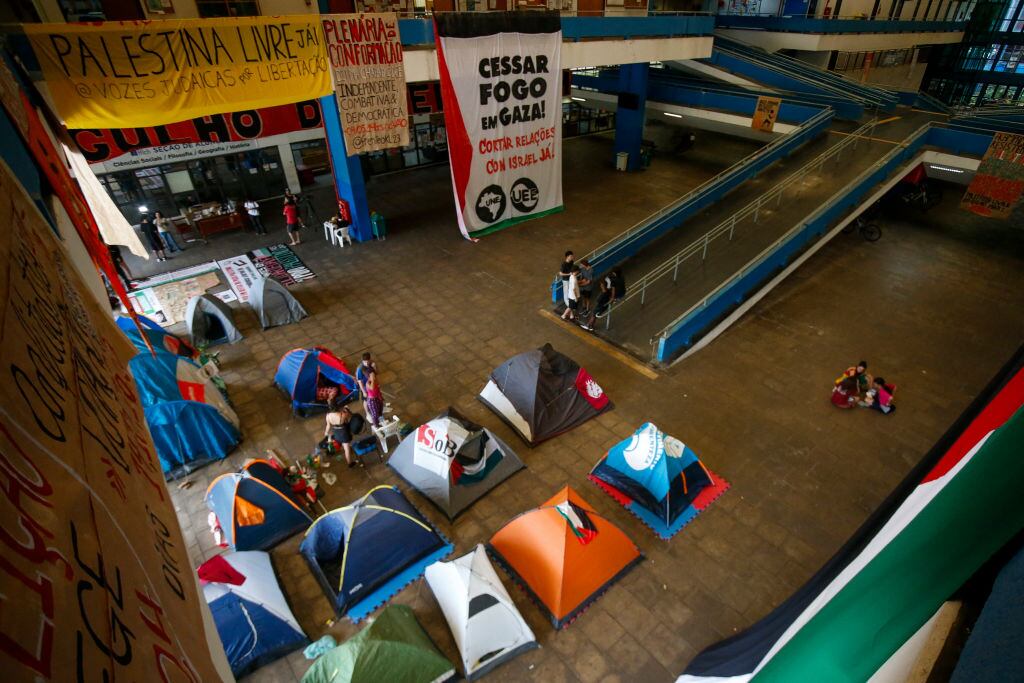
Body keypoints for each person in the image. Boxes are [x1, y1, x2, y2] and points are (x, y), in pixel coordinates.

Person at [324, 399, 359, 467]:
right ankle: (350, 463)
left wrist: (326, 432)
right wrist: (346, 409)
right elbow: (350, 416)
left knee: (343, 443)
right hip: (344, 432)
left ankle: (346, 448)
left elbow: (328, 425)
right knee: (347, 449)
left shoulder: (328, 415)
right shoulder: (342, 414)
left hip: (336, 432)